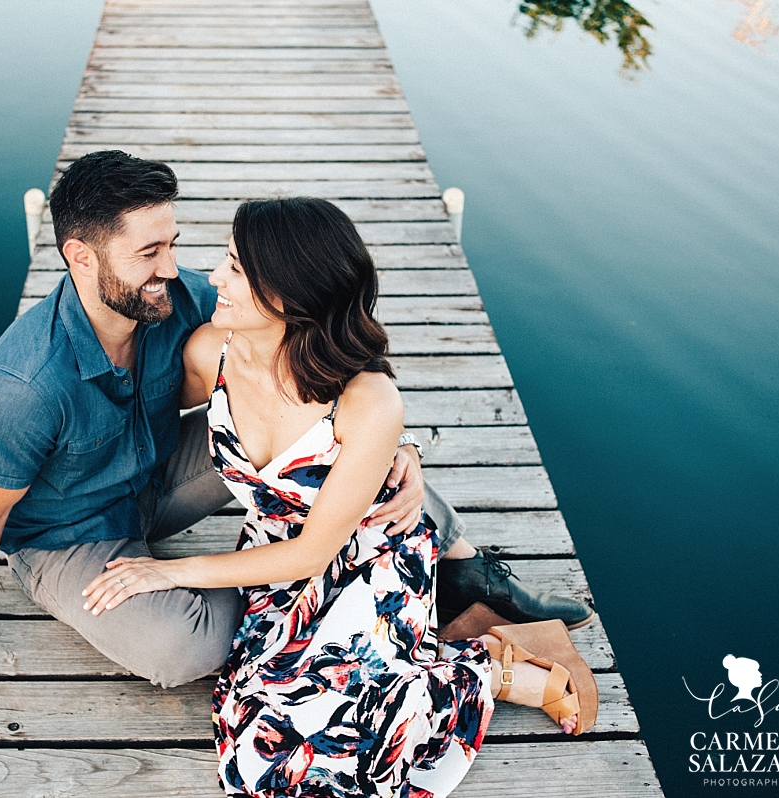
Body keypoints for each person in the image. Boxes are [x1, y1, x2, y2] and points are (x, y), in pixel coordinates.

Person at [0, 150, 590, 695]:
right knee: (185, 651)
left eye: (171, 244)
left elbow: (313, 331)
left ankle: (463, 572)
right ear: (82, 257)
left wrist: (396, 444)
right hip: (67, 536)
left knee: (352, 453)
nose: (174, 269)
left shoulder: (169, 298)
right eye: (150, 254)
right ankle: (310, 586)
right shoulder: (19, 388)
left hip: (155, 478)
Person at [81, 198, 597, 797]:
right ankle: (478, 655)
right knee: (263, 753)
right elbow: (133, 414)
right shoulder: (208, 353)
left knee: (340, 751)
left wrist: (167, 574)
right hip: (272, 559)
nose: (215, 279)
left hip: (367, 559)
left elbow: (312, 554)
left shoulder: (365, 399)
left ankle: (493, 665)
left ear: (290, 294)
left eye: (237, 270)